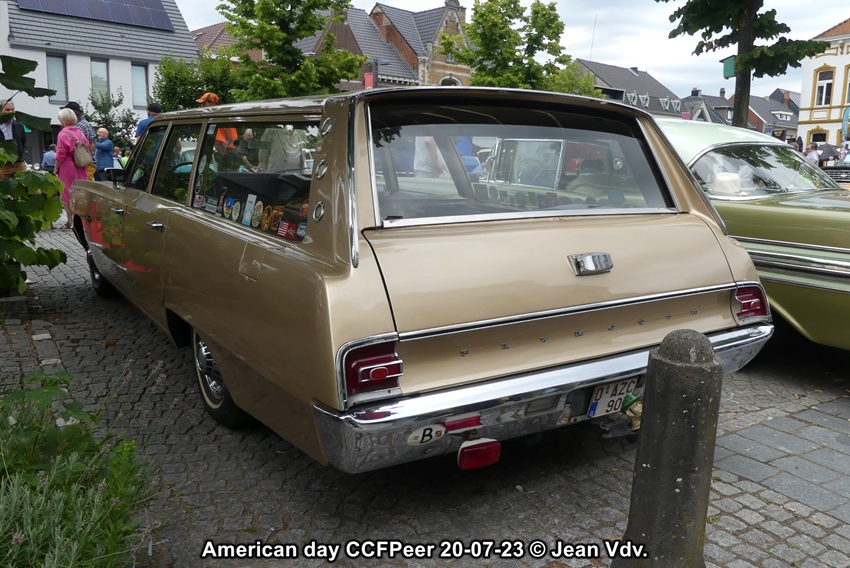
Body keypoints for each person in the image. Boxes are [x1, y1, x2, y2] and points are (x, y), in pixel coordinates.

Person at [54, 108, 89, 229]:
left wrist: (56, 168)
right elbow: (88, 147)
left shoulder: (63, 133)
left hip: (68, 167)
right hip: (81, 165)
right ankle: (82, 220)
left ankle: (70, 221)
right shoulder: (80, 132)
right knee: (81, 192)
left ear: (63, 119)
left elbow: (60, 154)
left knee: (67, 192)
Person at [60, 101, 96, 180]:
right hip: (79, 164)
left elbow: (90, 146)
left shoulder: (83, 126)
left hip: (84, 165)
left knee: (83, 187)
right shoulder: (79, 125)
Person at [0, 98, 28, 179]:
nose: (10, 112)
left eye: (12, 110)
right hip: (3, 165)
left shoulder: (19, 125)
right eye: (7, 110)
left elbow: (22, 142)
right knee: (3, 186)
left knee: (23, 185)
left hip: (19, 163)